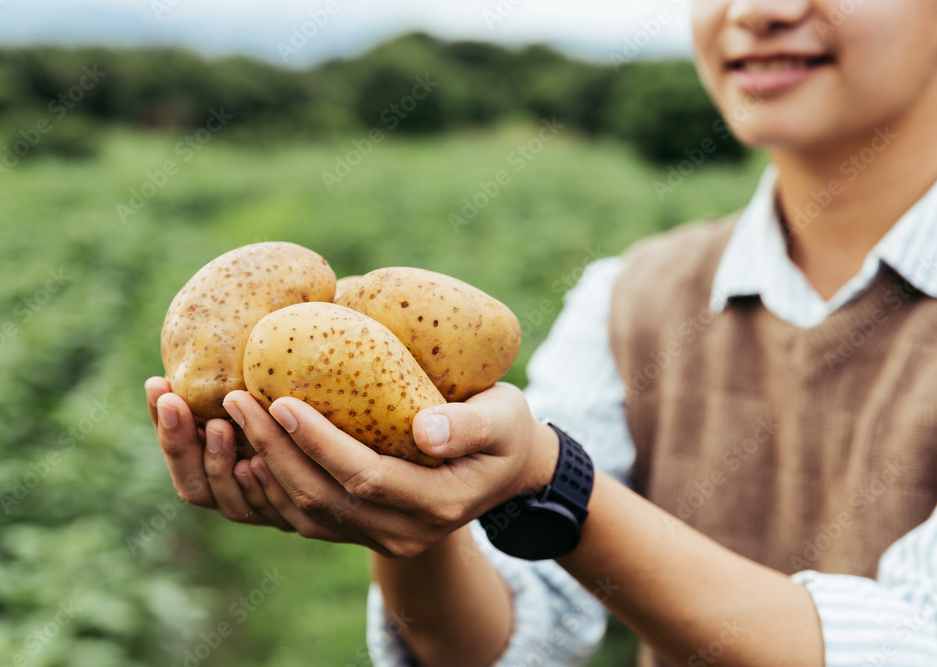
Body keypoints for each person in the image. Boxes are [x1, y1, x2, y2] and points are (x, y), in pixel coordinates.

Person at [146, 1, 937, 665]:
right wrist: (406, 514)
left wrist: (549, 479)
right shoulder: (631, 296)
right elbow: (511, 639)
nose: (760, 11)